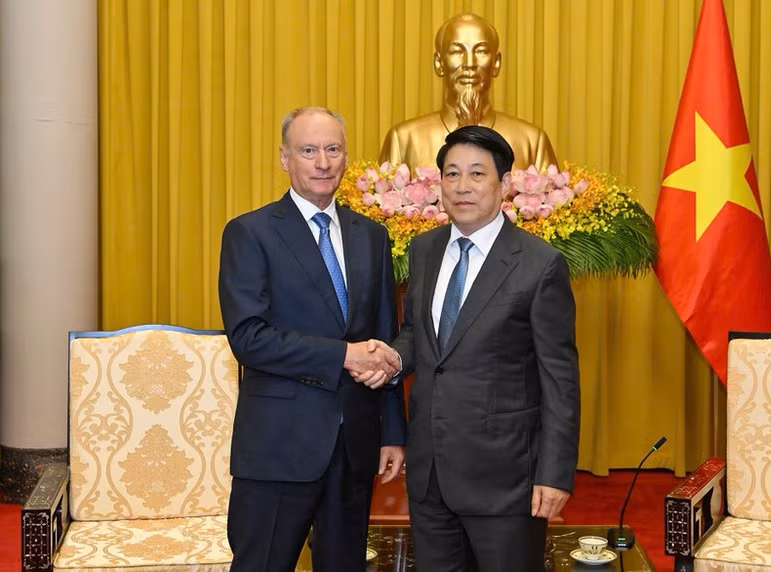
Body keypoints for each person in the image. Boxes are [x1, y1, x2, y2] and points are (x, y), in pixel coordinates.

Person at [365, 125, 580, 571]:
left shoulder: (539, 265)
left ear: (504, 185)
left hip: (505, 479)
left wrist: (555, 474)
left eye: (477, 174)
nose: (462, 186)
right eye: (451, 174)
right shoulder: (424, 250)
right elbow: (420, 336)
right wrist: (392, 359)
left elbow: (560, 380)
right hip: (430, 474)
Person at [218, 106, 407, 572]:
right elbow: (249, 338)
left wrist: (393, 433)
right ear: (285, 158)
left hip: (356, 443)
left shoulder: (373, 237)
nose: (322, 162)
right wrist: (343, 355)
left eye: (333, 149)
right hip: (279, 446)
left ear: (346, 159)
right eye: (308, 150)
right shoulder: (251, 233)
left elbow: (385, 341)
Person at [379, 13, 558, 174]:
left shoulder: (532, 141)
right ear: (439, 63)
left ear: (496, 63)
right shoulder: (403, 139)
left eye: (480, 51)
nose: (469, 63)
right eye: (457, 51)